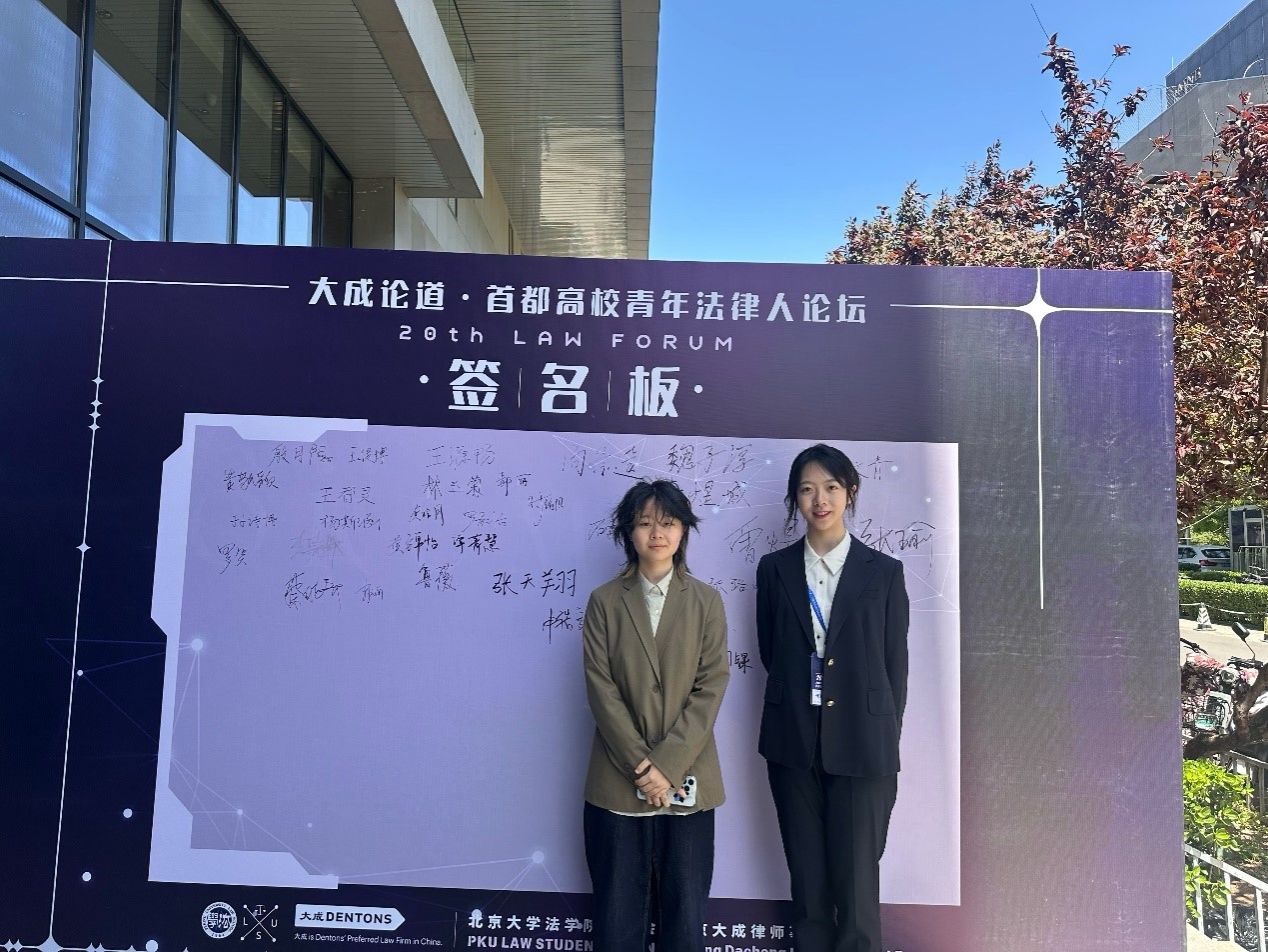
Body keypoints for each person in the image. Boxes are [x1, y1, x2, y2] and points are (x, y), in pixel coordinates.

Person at [755, 444, 909, 952]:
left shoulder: (883, 572)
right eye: (807, 489)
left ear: (850, 492)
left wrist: (882, 733)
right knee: (808, 883)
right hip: (793, 740)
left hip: (864, 743)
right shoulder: (774, 570)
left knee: (858, 886)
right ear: (795, 498)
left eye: (831, 487)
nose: (819, 500)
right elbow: (772, 652)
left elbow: (894, 665)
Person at [582, 479, 730, 952]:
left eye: (667, 522)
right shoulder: (605, 601)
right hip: (616, 779)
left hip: (690, 780)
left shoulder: (706, 601)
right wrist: (642, 766)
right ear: (628, 532)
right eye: (644, 523)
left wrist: (667, 765)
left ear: (684, 530)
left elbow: (711, 685)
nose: (657, 533)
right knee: (617, 919)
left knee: (684, 919)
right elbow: (600, 688)